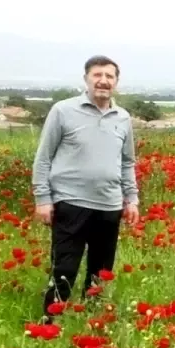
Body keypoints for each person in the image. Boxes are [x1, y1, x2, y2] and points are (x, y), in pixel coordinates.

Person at [32, 55, 141, 322]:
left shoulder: (122, 117)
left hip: (109, 205)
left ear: (116, 82)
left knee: (101, 269)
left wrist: (132, 198)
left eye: (109, 76)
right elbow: (43, 157)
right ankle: (50, 322)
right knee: (64, 267)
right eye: (97, 75)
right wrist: (42, 198)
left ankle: (92, 322)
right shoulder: (63, 111)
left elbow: (127, 162)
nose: (103, 81)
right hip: (71, 203)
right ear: (86, 79)